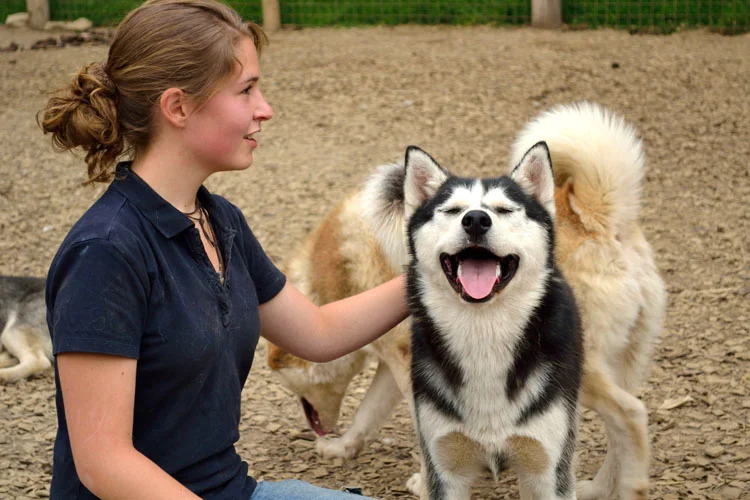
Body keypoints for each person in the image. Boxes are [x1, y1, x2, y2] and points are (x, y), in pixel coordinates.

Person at [39, 1, 409, 498]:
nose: (266, 108)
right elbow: (105, 462)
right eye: (247, 89)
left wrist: (435, 275)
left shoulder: (220, 220)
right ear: (177, 107)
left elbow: (317, 333)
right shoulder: (105, 252)